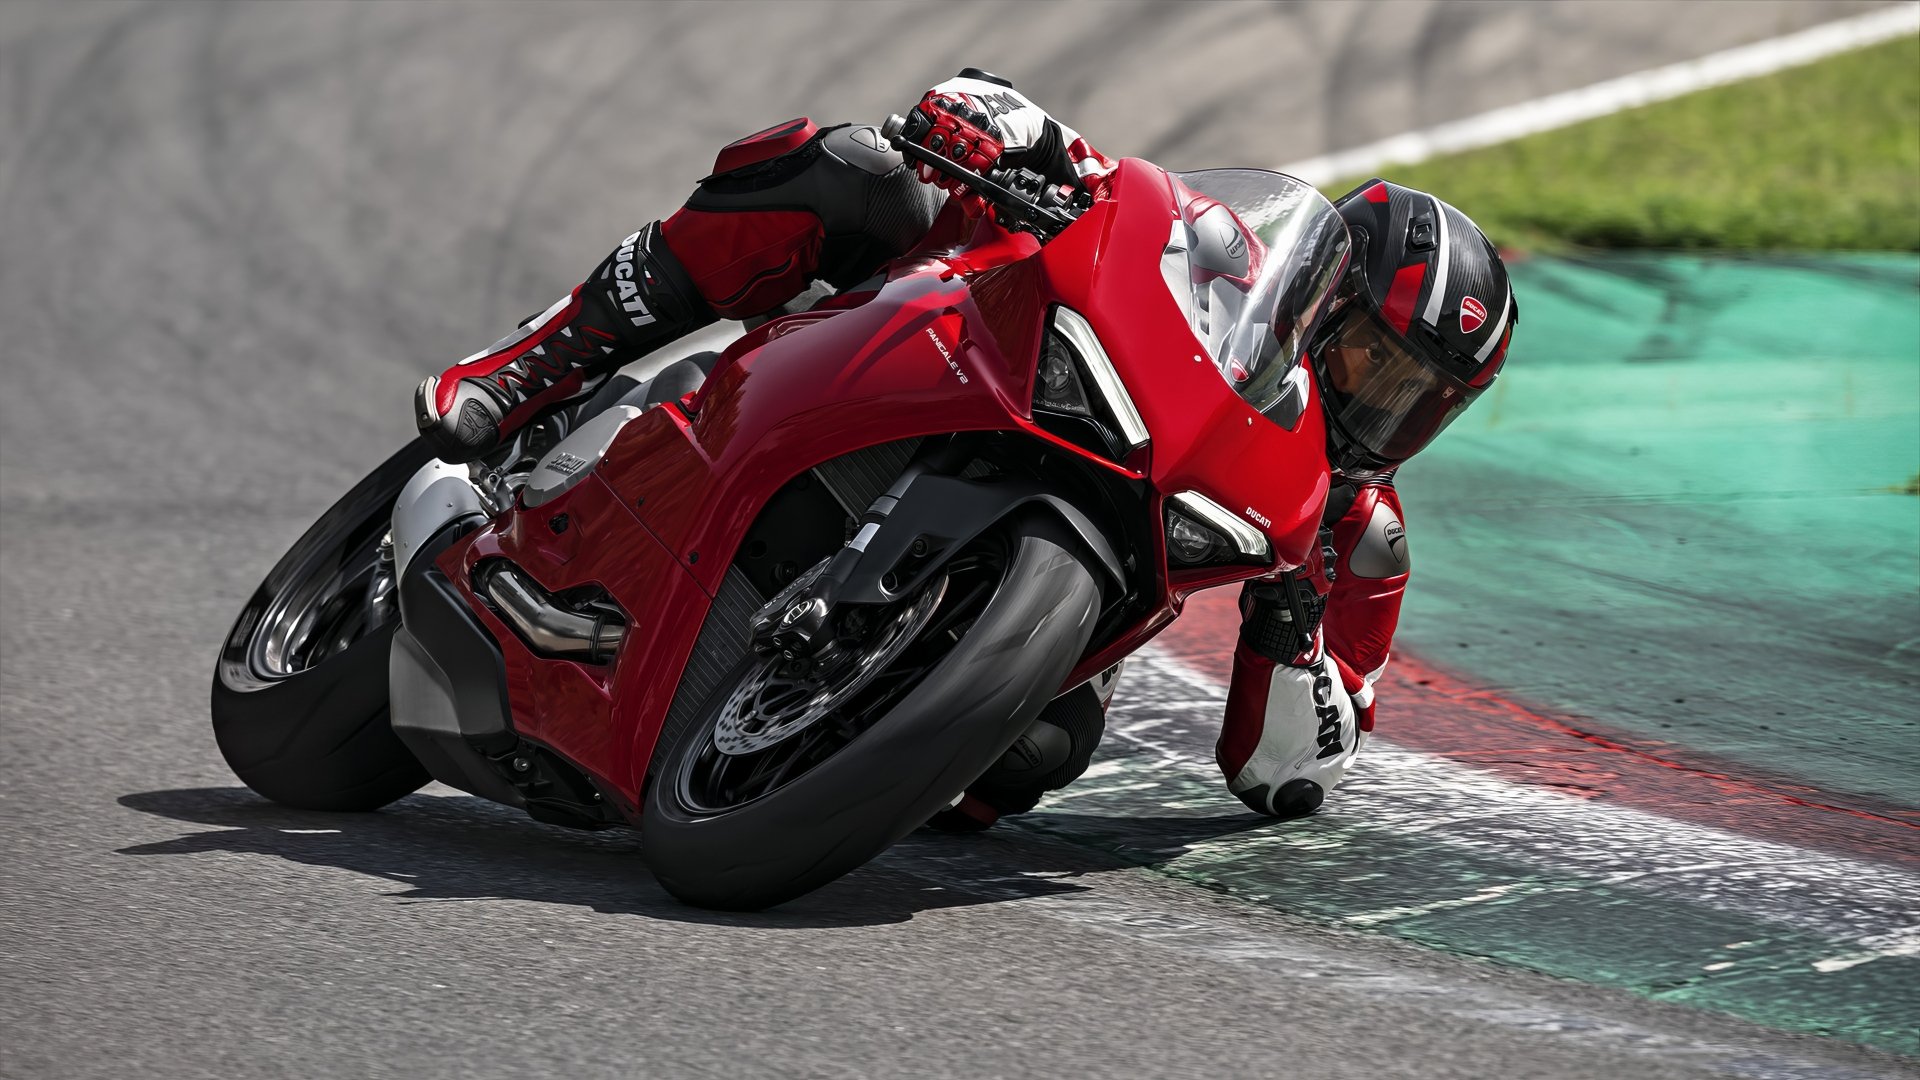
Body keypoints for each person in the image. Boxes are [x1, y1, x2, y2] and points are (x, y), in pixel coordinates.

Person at [413, 70, 1516, 829]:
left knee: (1032, 762)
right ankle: (534, 362)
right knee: (844, 170)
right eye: (1375, 360)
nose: (1383, 407)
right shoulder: (1229, 265)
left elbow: (1295, 770)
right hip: (963, 342)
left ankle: (807, 755)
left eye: (1421, 399)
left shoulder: (1357, 536)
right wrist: (1008, 133)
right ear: (1323, 292)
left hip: (1086, 573)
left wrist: (1296, 621)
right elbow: (1113, 191)